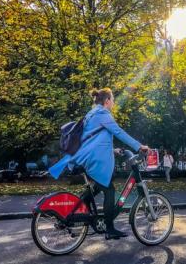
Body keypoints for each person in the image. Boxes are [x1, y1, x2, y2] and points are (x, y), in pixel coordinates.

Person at [49, 88, 149, 240]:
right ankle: (109, 228)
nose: (113, 104)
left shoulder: (91, 114)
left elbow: (94, 139)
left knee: (101, 185)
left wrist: (113, 150)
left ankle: (87, 212)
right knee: (109, 191)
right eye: (113, 100)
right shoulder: (103, 114)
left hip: (85, 157)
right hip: (92, 160)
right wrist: (139, 146)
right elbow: (118, 132)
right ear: (107, 100)